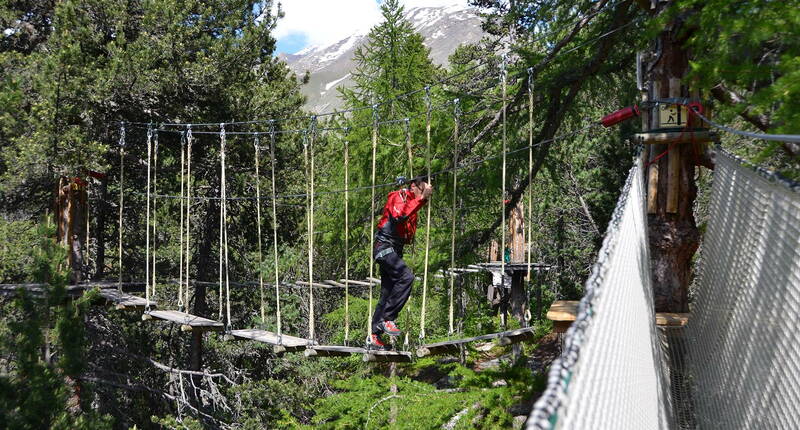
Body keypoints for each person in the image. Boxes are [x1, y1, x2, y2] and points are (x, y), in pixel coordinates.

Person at [367, 175, 433, 350]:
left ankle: (374, 335)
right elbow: (398, 216)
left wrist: (420, 200)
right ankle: (388, 319)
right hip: (384, 247)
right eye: (424, 187)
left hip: (393, 249)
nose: (427, 191)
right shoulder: (400, 196)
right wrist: (421, 199)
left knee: (387, 292)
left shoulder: (413, 201)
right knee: (406, 277)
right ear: (414, 186)